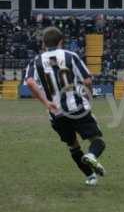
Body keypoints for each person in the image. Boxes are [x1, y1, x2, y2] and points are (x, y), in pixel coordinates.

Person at [25, 27, 106, 186]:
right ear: (61, 41)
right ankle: (92, 156)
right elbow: (88, 80)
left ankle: (90, 177)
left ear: (43, 43)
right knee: (97, 141)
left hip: (56, 112)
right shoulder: (70, 56)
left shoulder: (36, 60)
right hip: (76, 107)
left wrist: (46, 102)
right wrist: (88, 97)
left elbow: (30, 82)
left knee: (73, 145)